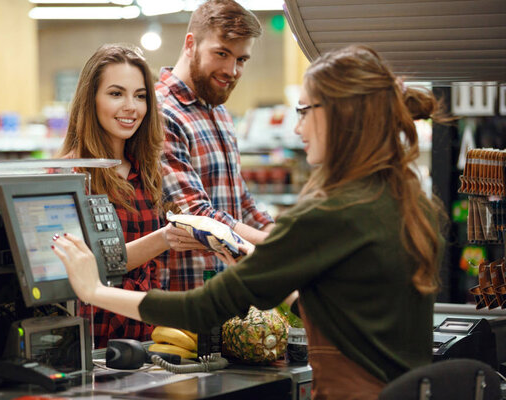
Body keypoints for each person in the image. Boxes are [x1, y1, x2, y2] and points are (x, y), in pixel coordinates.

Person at [53, 45, 447, 399]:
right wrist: (246, 254)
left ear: (340, 116)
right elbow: (336, 308)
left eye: (304, 111)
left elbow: (202, 308)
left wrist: (92, 289)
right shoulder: (409, 200)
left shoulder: (331, 213)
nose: (296, 128)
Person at [57, 44, 203, 348]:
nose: (131, 107)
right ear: (91, 99)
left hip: (147, 339)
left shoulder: (147, 171)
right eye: (115, 94)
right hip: (94, 341)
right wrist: (165, 238)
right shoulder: (71, 175)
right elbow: (90, 263)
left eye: (140, 96)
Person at [155, 0, 275, 291]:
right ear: (190, 44)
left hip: (228, 289)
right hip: (187, 296)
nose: (231, 70)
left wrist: (276, 231)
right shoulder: (161, 113)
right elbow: (195, 213)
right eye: (221, 53)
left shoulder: (219, 112)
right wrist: (271, 244)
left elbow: (240, 200)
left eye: (241, 60)